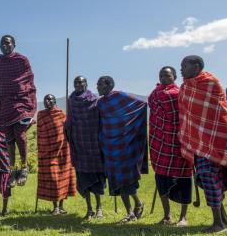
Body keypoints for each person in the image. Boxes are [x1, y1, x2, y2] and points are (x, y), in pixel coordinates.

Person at [178, 55, 227, 233]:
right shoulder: (185, 88)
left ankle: (219, 223)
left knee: (210, 178)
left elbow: (218, 112)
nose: (181, 69)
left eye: (184, 65)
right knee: (208, 180)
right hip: (199, 143)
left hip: (218, 139)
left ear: (197, 66)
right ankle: (223, 219)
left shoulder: (210, 82)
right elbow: (187, 115)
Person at [97, 76, 148, 223]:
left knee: (127, 180)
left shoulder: (120, 96)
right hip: (109, 146)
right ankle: (132, 210)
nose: (97, 88)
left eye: (100, 85)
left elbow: (141, 104)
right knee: (117, 182)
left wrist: (127, 126)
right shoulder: (100, 102)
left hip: (124, 145)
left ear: (109, 86)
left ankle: (134, 208)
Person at [148, 66, 193, 226]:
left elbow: (187, 116)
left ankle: (183, 217)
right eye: (161, 75)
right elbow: (153, 118)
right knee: (161, 178)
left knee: (184, 179)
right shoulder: (154, 95)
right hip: (160, 143)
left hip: (179, 143)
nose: (163, 77)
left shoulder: (181, 94)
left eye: (167, 75)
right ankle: (167, 216)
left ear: (174, 76)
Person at [0, 35, 37, 187]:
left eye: (7, 42)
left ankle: (24, 167)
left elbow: (28, 80)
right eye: (1, 43)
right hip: (5, 103)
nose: (4, 45)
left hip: (21, 101)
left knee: (20, 134)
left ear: (14, 44)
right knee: (9, 138)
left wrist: (25, 94)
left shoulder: (21, 60)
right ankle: (12, 169)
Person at [66, 76, 106, 219]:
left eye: (81, 82)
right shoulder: (71, 100)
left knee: (96, 178)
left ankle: (99, 207)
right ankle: (89, 209)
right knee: (83, 179)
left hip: (93, 145)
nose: (78, 84)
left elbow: (100, 118)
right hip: (79, 145)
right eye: (76, 82)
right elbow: (70, 119)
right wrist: (68, 125)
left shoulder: (94, 99)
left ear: (86, 84)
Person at [36, 94, 76, 215]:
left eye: (50, 99)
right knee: (53, 179)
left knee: (64, 179)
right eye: (45, 99)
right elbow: (40, 133)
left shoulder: (61, 114)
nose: (48, 101)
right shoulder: (41, 115)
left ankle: (61, 207)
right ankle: (55, 207)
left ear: (54, 101)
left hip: (63, 151)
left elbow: (68, 130)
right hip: (47, 152)